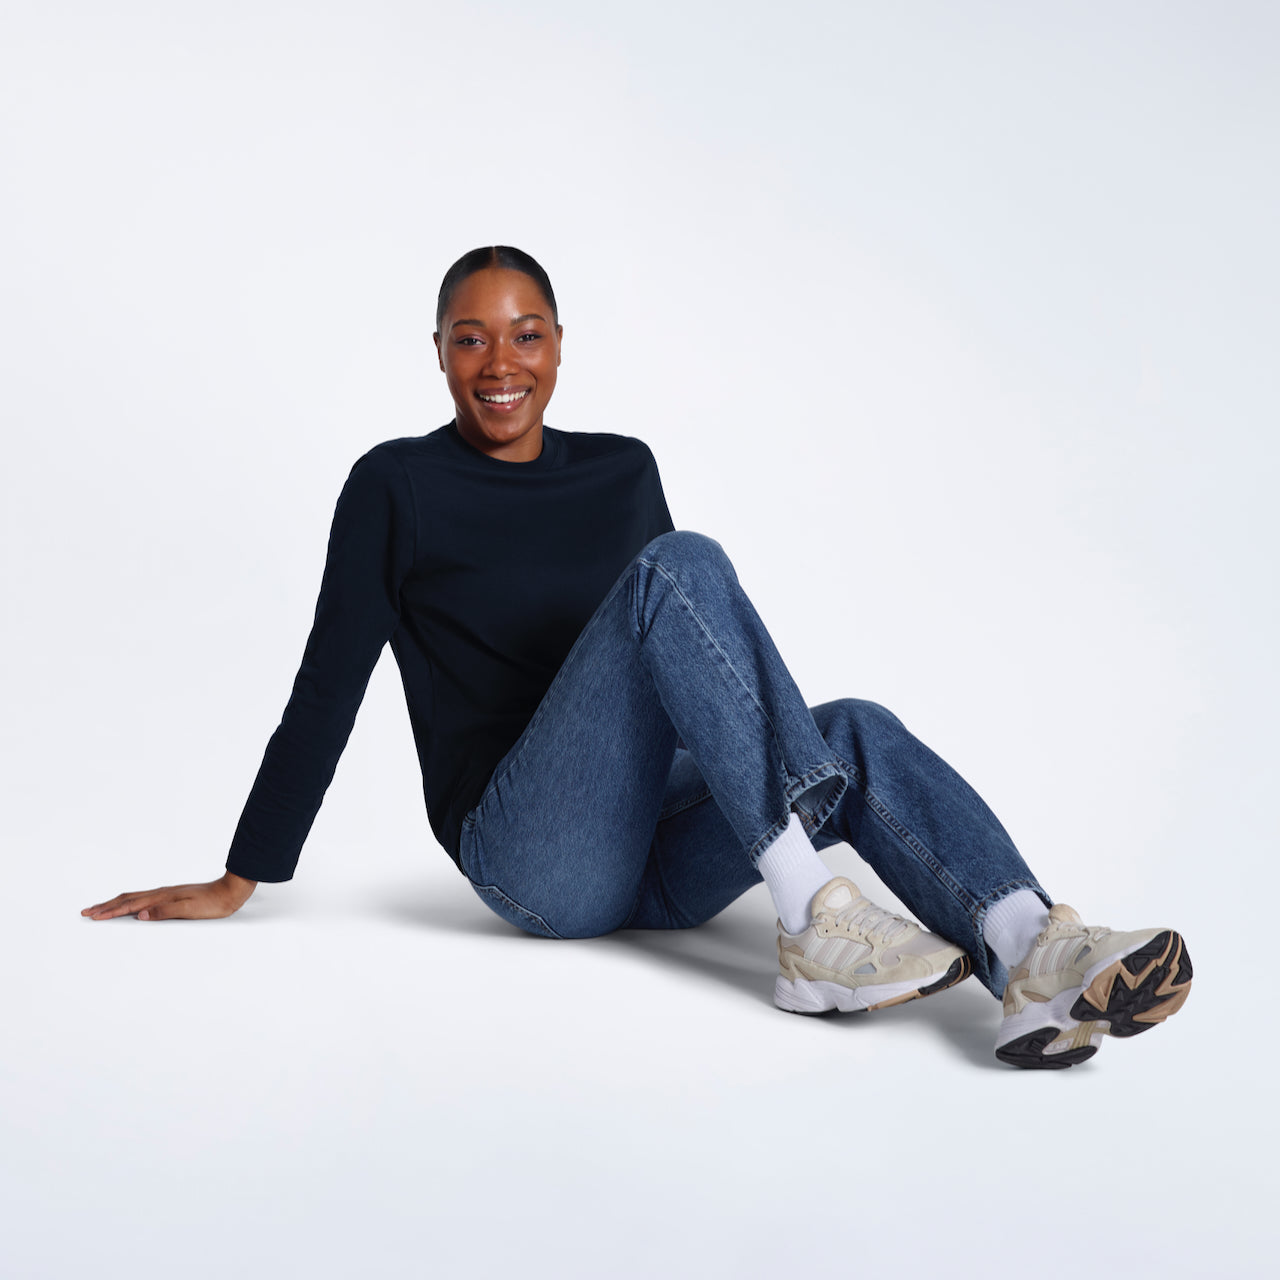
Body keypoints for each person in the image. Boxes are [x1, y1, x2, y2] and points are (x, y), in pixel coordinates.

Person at [82, 246, 1192, 1069]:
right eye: (469, 336)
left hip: (655, 847)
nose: (498, 361)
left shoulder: (620, 468)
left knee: (847, 722)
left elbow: (682, 665)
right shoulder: (395, 486)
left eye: (524, 332)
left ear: (559, 344)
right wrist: (243, 873)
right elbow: (327, 683)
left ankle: (1028, 954)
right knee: (679, 567)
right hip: (530, 854)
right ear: (436, 353)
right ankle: (810, 919)